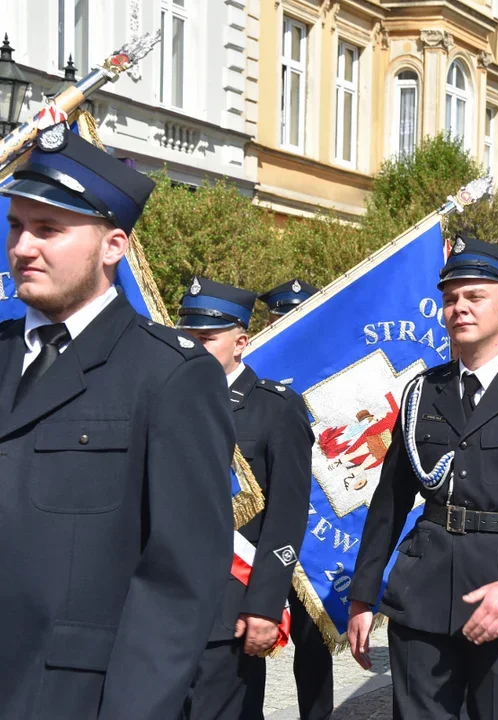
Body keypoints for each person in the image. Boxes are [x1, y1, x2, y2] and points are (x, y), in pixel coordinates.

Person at [0, 122, 235, 717]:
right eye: (16, 226)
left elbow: (178, 585)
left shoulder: (170, 376)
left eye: (49, 229)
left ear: (113, 247)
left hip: (71, 698)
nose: (23, 247)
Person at [346, 234, 498, 719]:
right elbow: (391, 499)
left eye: (475, 296)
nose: (460, 307)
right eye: (451, 298)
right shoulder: (423, 392)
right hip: (424, 593)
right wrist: (362, 595)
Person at [180, 278, 315, 720]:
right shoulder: (166, 397)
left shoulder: (276, 408)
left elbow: (287, 515)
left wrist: (263, 604)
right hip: (165, 601)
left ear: (240, 342)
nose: (194, 347)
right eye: (188, 336)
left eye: (206, 338)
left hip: (229, 604)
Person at [255, 278, 334, 720]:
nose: (289, 323)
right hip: (260, 519)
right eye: (281, 315)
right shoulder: (257, 370)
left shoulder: (330, 362)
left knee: (312, 637)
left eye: (297, 313)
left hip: (319, 519)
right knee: (249, 630)